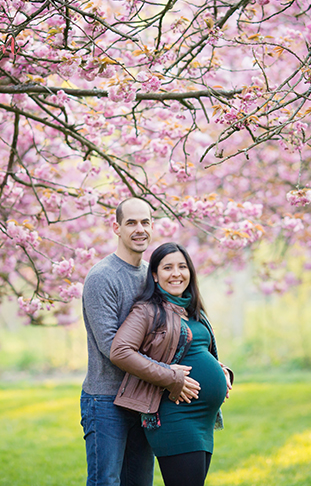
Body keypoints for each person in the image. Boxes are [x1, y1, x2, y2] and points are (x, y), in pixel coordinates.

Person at [80, 198, 199, 486]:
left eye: (145, 222)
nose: (139, 229)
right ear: (116, 228)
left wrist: (214, 365)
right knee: (105, 482)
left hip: (144, 398)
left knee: (139, 482)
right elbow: (112, 349)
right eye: (131, 222)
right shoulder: (102, 278)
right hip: (106, 399)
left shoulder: (153, 275)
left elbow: (173, 332)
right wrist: (169, 376)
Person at [110, 242, 233, 486]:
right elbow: (120, 351)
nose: (176, 273)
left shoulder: (191, 309)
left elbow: (195, 351)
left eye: (182, 266)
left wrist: (222, 371)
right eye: (167, 267)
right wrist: (170, 376)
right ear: (155, 275)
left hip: (202, 420)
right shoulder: (147, 311)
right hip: (175, 416)